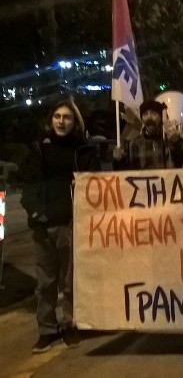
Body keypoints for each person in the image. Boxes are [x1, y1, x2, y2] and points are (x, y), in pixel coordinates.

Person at [20, 97, 100, 353]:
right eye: (57, 117)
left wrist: (84, 185)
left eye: (67, 117)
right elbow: (27, 185)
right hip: (43, 225)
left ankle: (69, 324)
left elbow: (96, 183)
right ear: (50, 120)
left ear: (75, 121)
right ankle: (46, 329)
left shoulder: (83, 150)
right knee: (45, 282)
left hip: (71, 223)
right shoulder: (38, 149)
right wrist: (35, 212)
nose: (61, 122)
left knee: (70, 281)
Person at [112, 99, 183, 170]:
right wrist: (118, 160)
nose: (149, 117)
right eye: (145, 114)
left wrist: (177, 142)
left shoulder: (173, 140)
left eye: (153, 113)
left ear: (161, 117)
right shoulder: (133, 144)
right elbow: (123, 174)